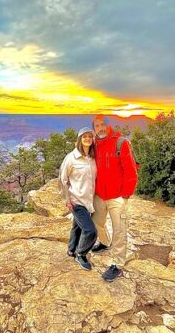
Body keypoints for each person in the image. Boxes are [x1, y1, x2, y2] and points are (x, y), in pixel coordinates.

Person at [91, 115, 138, 282]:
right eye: (97, 126)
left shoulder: (120, 143)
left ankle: (117, 265)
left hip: (117, 196)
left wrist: (126, 195)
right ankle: (104, 242)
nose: (100, 128)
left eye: (103, 125)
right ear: (94, 128)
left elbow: (131, 170)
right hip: (99, 195)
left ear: (109, 126)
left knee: (119, 229)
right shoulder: (93, 145)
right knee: (96, 223)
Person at [58, 127, 98, 271]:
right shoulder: (71, 158)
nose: (87, 139)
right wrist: (67, 199)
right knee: (90, 231)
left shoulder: (93, 158)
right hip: (76, 201)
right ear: (79, 139)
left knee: (78, 226)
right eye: (84, 136)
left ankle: (71, 249)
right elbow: (62, 180)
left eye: (90, 136)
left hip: (89, 200)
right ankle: (80, 254)